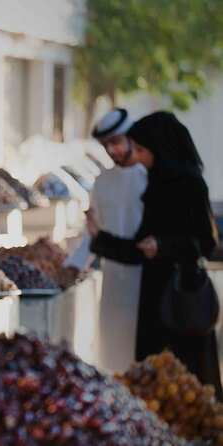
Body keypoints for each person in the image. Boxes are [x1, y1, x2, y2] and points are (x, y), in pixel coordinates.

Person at [87, 111, 222, 399]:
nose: (136, 155)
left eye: (141, 149)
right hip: (154, 299)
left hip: (183, 297)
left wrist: (165, 246)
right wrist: (100, 239)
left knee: (190, 389)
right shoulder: (153, 184)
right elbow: (139, 248)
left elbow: (207, 244)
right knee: (154, 387)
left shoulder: (191, 184)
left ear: (159, 148)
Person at [63, 108, 147, 373]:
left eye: (116, 142)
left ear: (131, 138)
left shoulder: (151, 177)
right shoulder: (102, 181)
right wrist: (76, 263)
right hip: (112, 285)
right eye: (106, 145)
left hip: (146, 282)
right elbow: (94, 232)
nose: (111, 150)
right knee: (112, 359)